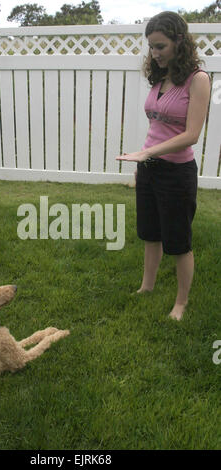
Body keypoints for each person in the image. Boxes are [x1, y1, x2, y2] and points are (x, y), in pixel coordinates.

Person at [116, 11, 211, 321]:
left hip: (176, 174)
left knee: (179, 241)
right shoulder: (160, 76)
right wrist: (142, 162)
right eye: (151, 47)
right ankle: (147, 286)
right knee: (150, 234)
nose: (154, 53)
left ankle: (181, 302)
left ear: (179, 42)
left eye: (160, 46)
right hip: (149, 168)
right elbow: (157, 128)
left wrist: (147, 154)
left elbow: (191, 135)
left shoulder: (198, 79)